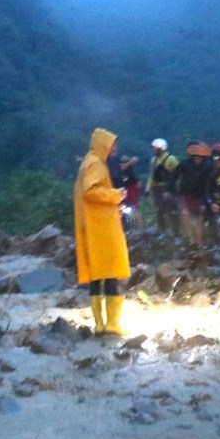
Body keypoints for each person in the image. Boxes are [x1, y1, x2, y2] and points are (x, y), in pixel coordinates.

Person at [74, 128, 131, 336]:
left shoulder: (87, 163)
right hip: (102, 227)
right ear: (102, 146)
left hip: (93, 225)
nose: (114, 149)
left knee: (98, 275)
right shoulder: (96, 164)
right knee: (113, 270)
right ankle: (112, 324)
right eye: (111, 145)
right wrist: (117, 194)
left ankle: (100, 325)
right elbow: (91, 191)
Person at [172, 141, 213, 247]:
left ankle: (198, 242)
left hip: (200, 195)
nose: (198, 159)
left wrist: (209, 198)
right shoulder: (184, 164)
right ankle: (190, 238)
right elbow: (173, 178)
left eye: (200, 157)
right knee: (185, 213)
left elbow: (211, 183)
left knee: (200, 218)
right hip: (185, 194)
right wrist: (174, 192)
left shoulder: (208, 167)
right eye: (196, 156)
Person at [146, 138, 179, 236]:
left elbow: (177, 173)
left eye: (155, 148)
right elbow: (151, 175)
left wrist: (172, 188)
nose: (153, 150)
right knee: (159, 210)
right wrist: (148, 188)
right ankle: (163, 231)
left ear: (160, 148)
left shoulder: (171, 159)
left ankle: (176, 233)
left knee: (172, 210)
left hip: (168, 187)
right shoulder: (153, 160)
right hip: (157, 188)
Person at [117, 154, 143, 232]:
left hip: (131, 188)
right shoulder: (122, 170)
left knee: (134, 208)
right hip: (125, 189)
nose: (122, 164)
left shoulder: (128, 171)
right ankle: (130, 228)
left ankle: (138, 228)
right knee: (128, 208)